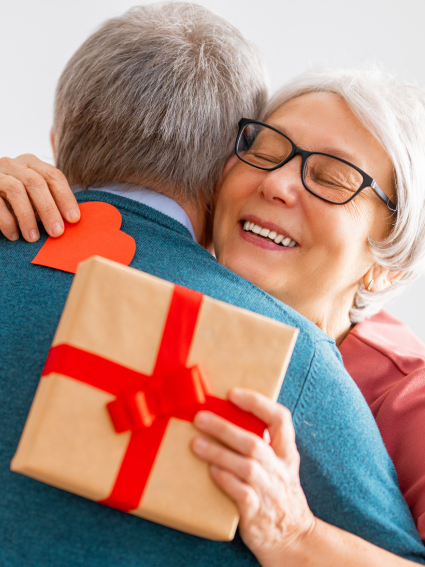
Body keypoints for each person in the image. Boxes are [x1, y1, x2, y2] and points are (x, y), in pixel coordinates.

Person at [0, 4, 424, 567]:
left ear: (388, 262)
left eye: (330, 179)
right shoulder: (271, 348)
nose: (276, 184)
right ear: (215, 173)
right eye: (264, 151)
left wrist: (297, 537)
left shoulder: (397, 396)